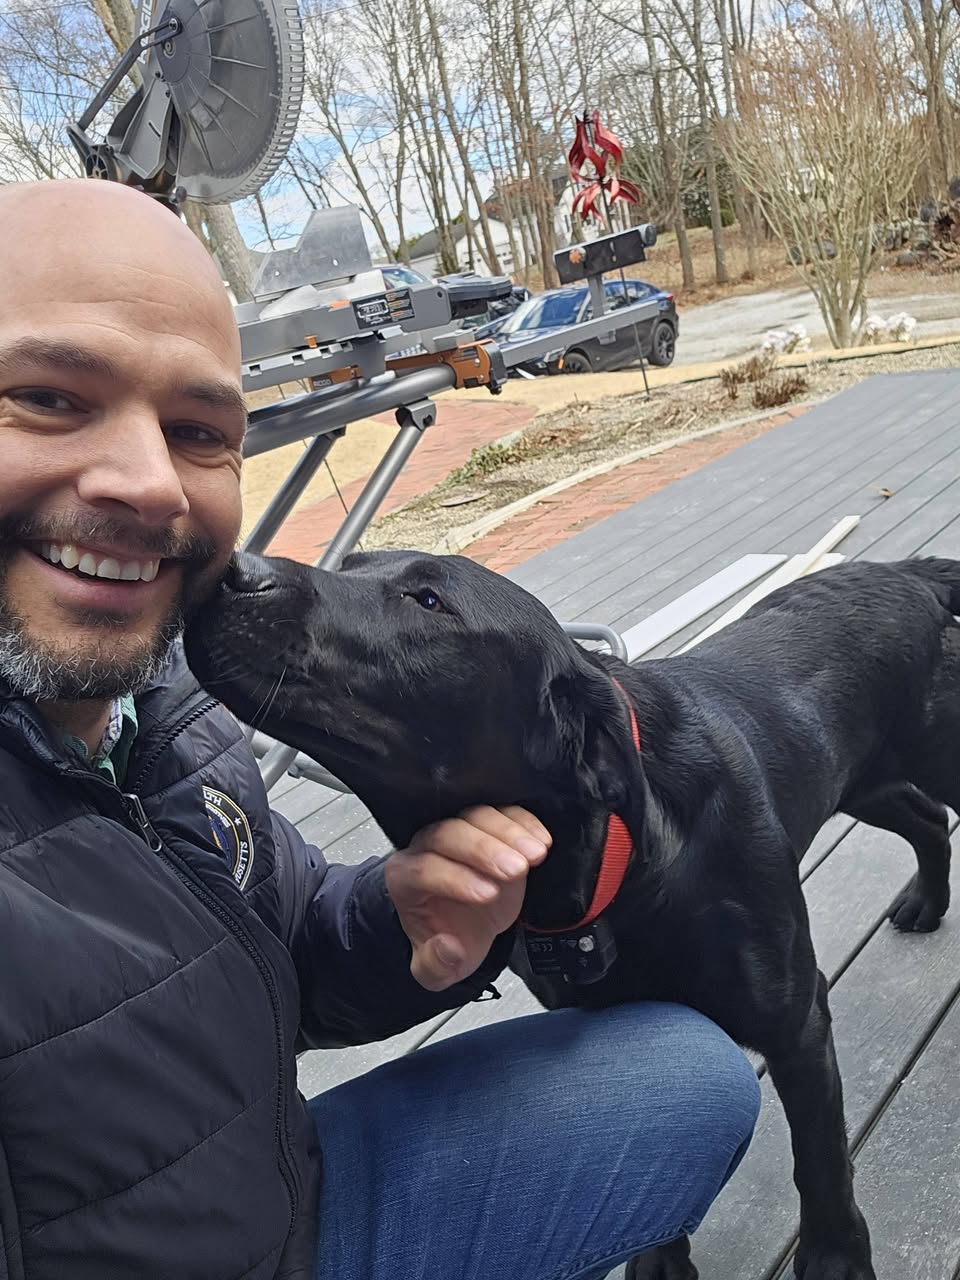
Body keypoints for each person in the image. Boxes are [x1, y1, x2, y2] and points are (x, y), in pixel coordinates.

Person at [0, 178, 760, 1280]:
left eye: (199, 428)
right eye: (49, 398)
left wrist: (401, 922)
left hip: (290, 1197)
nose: (146, 481)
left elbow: (285, 938)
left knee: (687, 1078)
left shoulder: (163, 707)